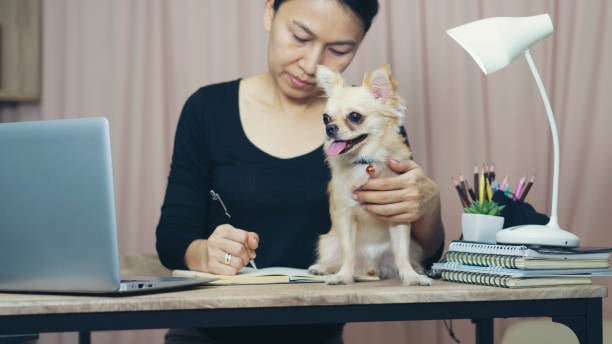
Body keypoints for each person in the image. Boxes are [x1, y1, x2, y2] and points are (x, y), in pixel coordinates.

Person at [156, 0, 445, 343]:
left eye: (338, 49)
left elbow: (419, 253)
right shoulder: (207, 109)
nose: (311, 65)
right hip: (206, 333)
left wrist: (428, 206)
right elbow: (172, 239)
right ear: (269, 13)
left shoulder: (371, 123)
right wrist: (205, 253)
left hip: (315, 335)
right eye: (299, 36)